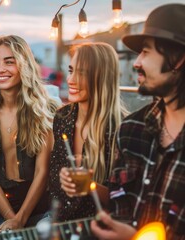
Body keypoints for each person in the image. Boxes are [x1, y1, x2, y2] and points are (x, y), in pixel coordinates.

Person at [90, 4, 185, 239]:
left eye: (146, 51)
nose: (136, 62)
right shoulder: (131, 129)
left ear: (179, 59)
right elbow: (118, 206)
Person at [0, 35, 59, 233]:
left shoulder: (45, 110)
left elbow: (42, 172)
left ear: (24, 65)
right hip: (0, 205)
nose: (0, 70)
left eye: (9, 62)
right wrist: (12, 218)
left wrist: (21, 218)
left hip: (40, 204)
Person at [49, 42, 126, 222]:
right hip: (61, 220)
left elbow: (126, 201)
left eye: (82, 73)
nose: (70, 80)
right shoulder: (62, 117)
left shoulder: (123, 128)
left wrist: (90, 185)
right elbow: (53, 184)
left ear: (102, 77)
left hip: (102, 225)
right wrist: (61, 178)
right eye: (70, 70)